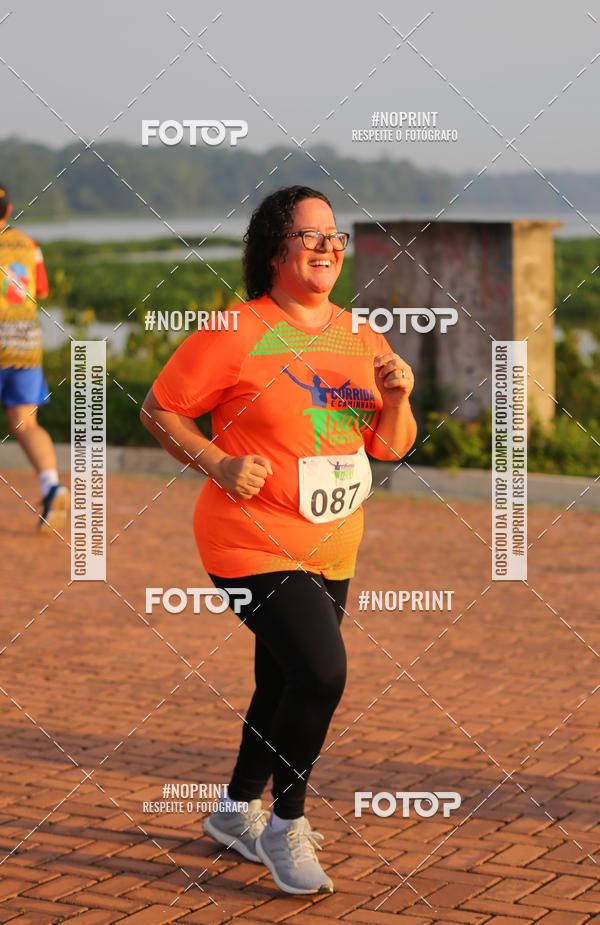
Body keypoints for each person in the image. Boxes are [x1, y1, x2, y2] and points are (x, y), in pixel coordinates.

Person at [141, 185, 417, 895]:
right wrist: (220, 463)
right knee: (322, 674)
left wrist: (398, 398)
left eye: (336, 237)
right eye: (310, 236)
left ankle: (235, 809)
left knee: (282, 678)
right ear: (274, 248)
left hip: (333, 546)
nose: (328, 247)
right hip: (247, 542)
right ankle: (283, 823)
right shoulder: (238, 329)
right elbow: (161, 409)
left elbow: (388, 448)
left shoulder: (359, 336)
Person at [0, 184, 69, 534]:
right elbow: (39, 290)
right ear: (8, 210)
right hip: (25, 342)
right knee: (26, 424)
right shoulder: (28, 245)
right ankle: (51, 486)